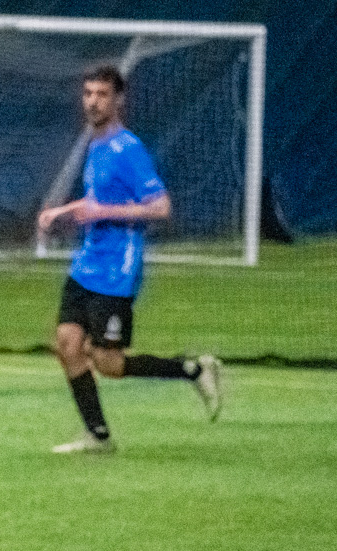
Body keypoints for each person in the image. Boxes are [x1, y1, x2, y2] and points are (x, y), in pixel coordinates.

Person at [37, 65, 223, 454]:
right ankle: (98, 436)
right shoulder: (95, 146)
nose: (92, 101)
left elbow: (160, 208)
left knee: (109, 363)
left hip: (117, 271)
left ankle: (193, 369)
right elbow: (97, 200)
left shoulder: (129, 149)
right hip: (87, 263)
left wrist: (103, 213)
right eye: (88, 93)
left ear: (118, 100)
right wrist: (63, 211)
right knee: (68, 344)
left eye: (102, 94)